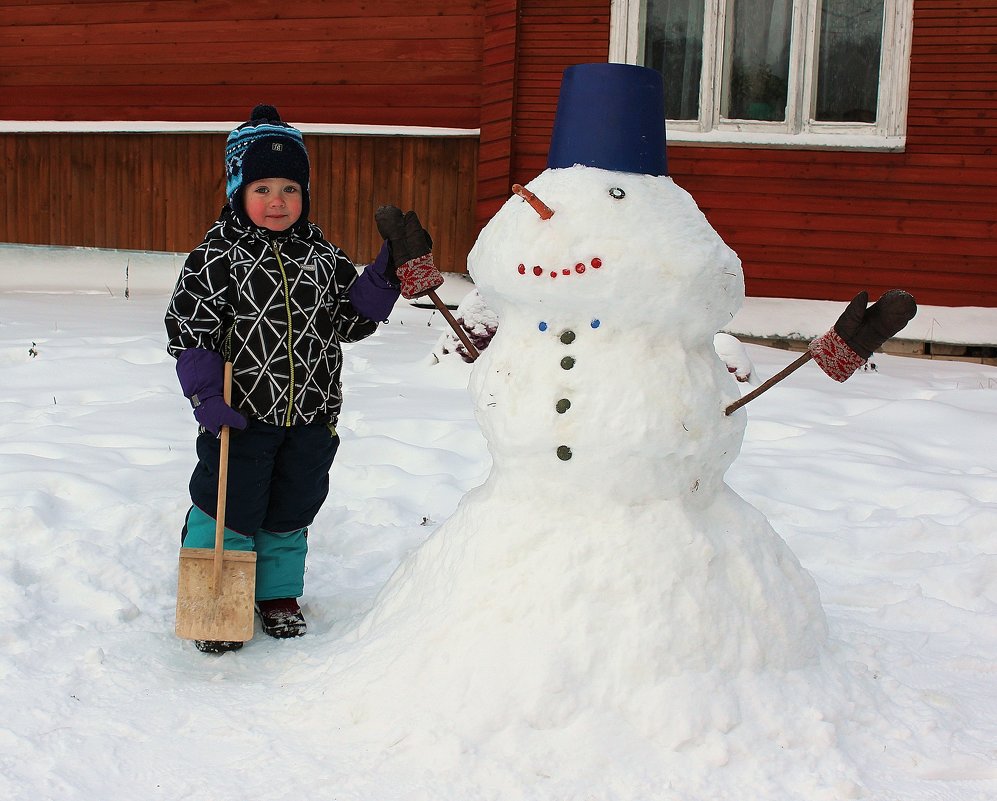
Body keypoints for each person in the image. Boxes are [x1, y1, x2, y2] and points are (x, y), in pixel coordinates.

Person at [165, 104, 439, 654]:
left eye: (290, 188)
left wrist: (386, 269)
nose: (277, 201)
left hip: (311, 414)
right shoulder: (215, 257)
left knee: (293, 506)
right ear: (238, 190)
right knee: (229, 505)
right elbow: (191, 330)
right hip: (239, 415)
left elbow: (352, 320)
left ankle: (277, 594)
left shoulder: (321, 256)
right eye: (262, 187)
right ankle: (215, 591)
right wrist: (204, 396)